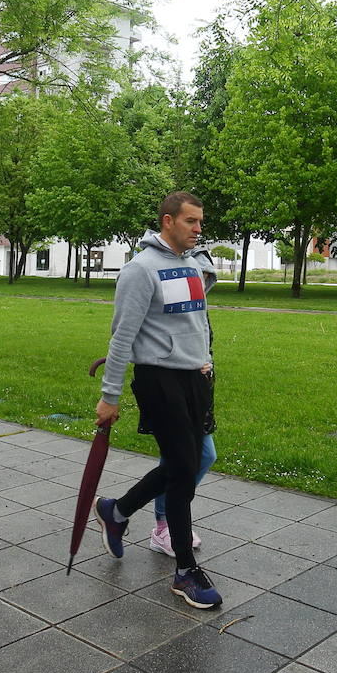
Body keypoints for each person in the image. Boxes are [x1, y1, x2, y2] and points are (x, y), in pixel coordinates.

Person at [95, 191, 222, 608]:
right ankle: (185, 571)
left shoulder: (191, 264)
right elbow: (122, 337)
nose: (199, 229)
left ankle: (117, 511)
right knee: (184, 471)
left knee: (193, 458)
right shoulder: (140, 270)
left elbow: (196, 321)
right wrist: (109, 396)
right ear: (168, 221)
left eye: (200, 222)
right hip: (159, 381)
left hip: (194, 379)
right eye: (191, 221)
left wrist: (203, 360)